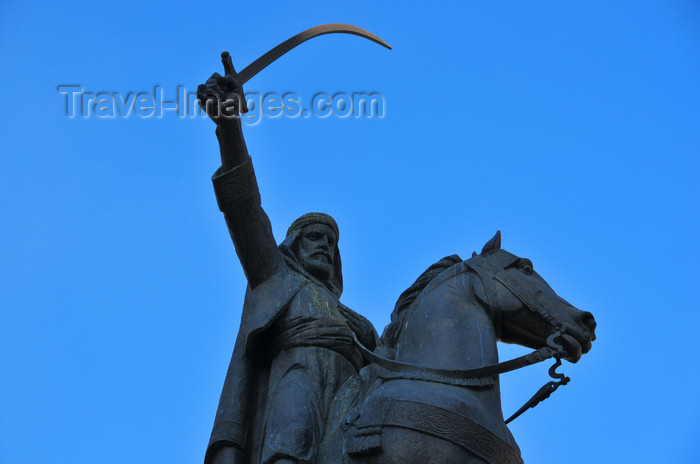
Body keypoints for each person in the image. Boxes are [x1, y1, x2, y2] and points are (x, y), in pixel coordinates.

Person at [197, 69, 378, 464]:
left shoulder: (356, 321)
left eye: (331, 243)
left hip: (351, 392)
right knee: (290, 445)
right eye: (315, 237)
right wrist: (230, 126)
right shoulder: (275, 274)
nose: (325, 247)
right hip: (297, 377)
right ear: (295, 244)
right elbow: (245, 209)